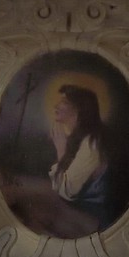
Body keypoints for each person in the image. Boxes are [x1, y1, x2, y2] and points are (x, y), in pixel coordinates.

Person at [48, 84, 112, 228]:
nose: (56, 105)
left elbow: (67, 191)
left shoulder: (91, 143)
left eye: (64, 102)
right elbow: (59, 187)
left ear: (78, 110)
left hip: (95, 216)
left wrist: (61, 150)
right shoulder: (76, 137)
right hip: (82, 209)